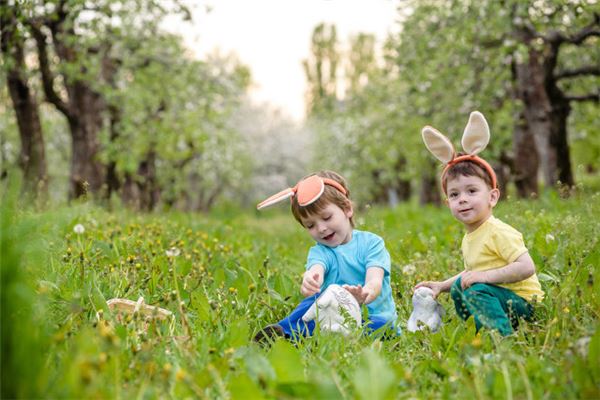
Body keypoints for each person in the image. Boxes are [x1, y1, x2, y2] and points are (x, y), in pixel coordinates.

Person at [415, 111, 544, 336]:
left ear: (492, 197)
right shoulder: (470, 236)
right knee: (460, 287)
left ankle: (499, 337)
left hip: (524, 303)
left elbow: (526, 267)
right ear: (448, 203)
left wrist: (483, 277)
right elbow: (471, 272)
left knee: (476, 289)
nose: (462, 199)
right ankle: (477, 330)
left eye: (472, 191)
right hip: (498, 297)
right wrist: (441, 286)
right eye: (454, 195)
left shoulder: (498, 232)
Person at [253, 170, 399, 343]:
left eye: (327, 217)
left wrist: (363, 295)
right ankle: (284, 332)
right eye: (310, 225)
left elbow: (375, 281)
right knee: (309, 305)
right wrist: (310, 280)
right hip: (330, 315)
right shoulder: (321, 251)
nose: (321, 228)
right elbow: (316, 269)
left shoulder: (372, 243)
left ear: (347, 209)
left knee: (381, 325)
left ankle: (345, 335)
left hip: (369, 314)